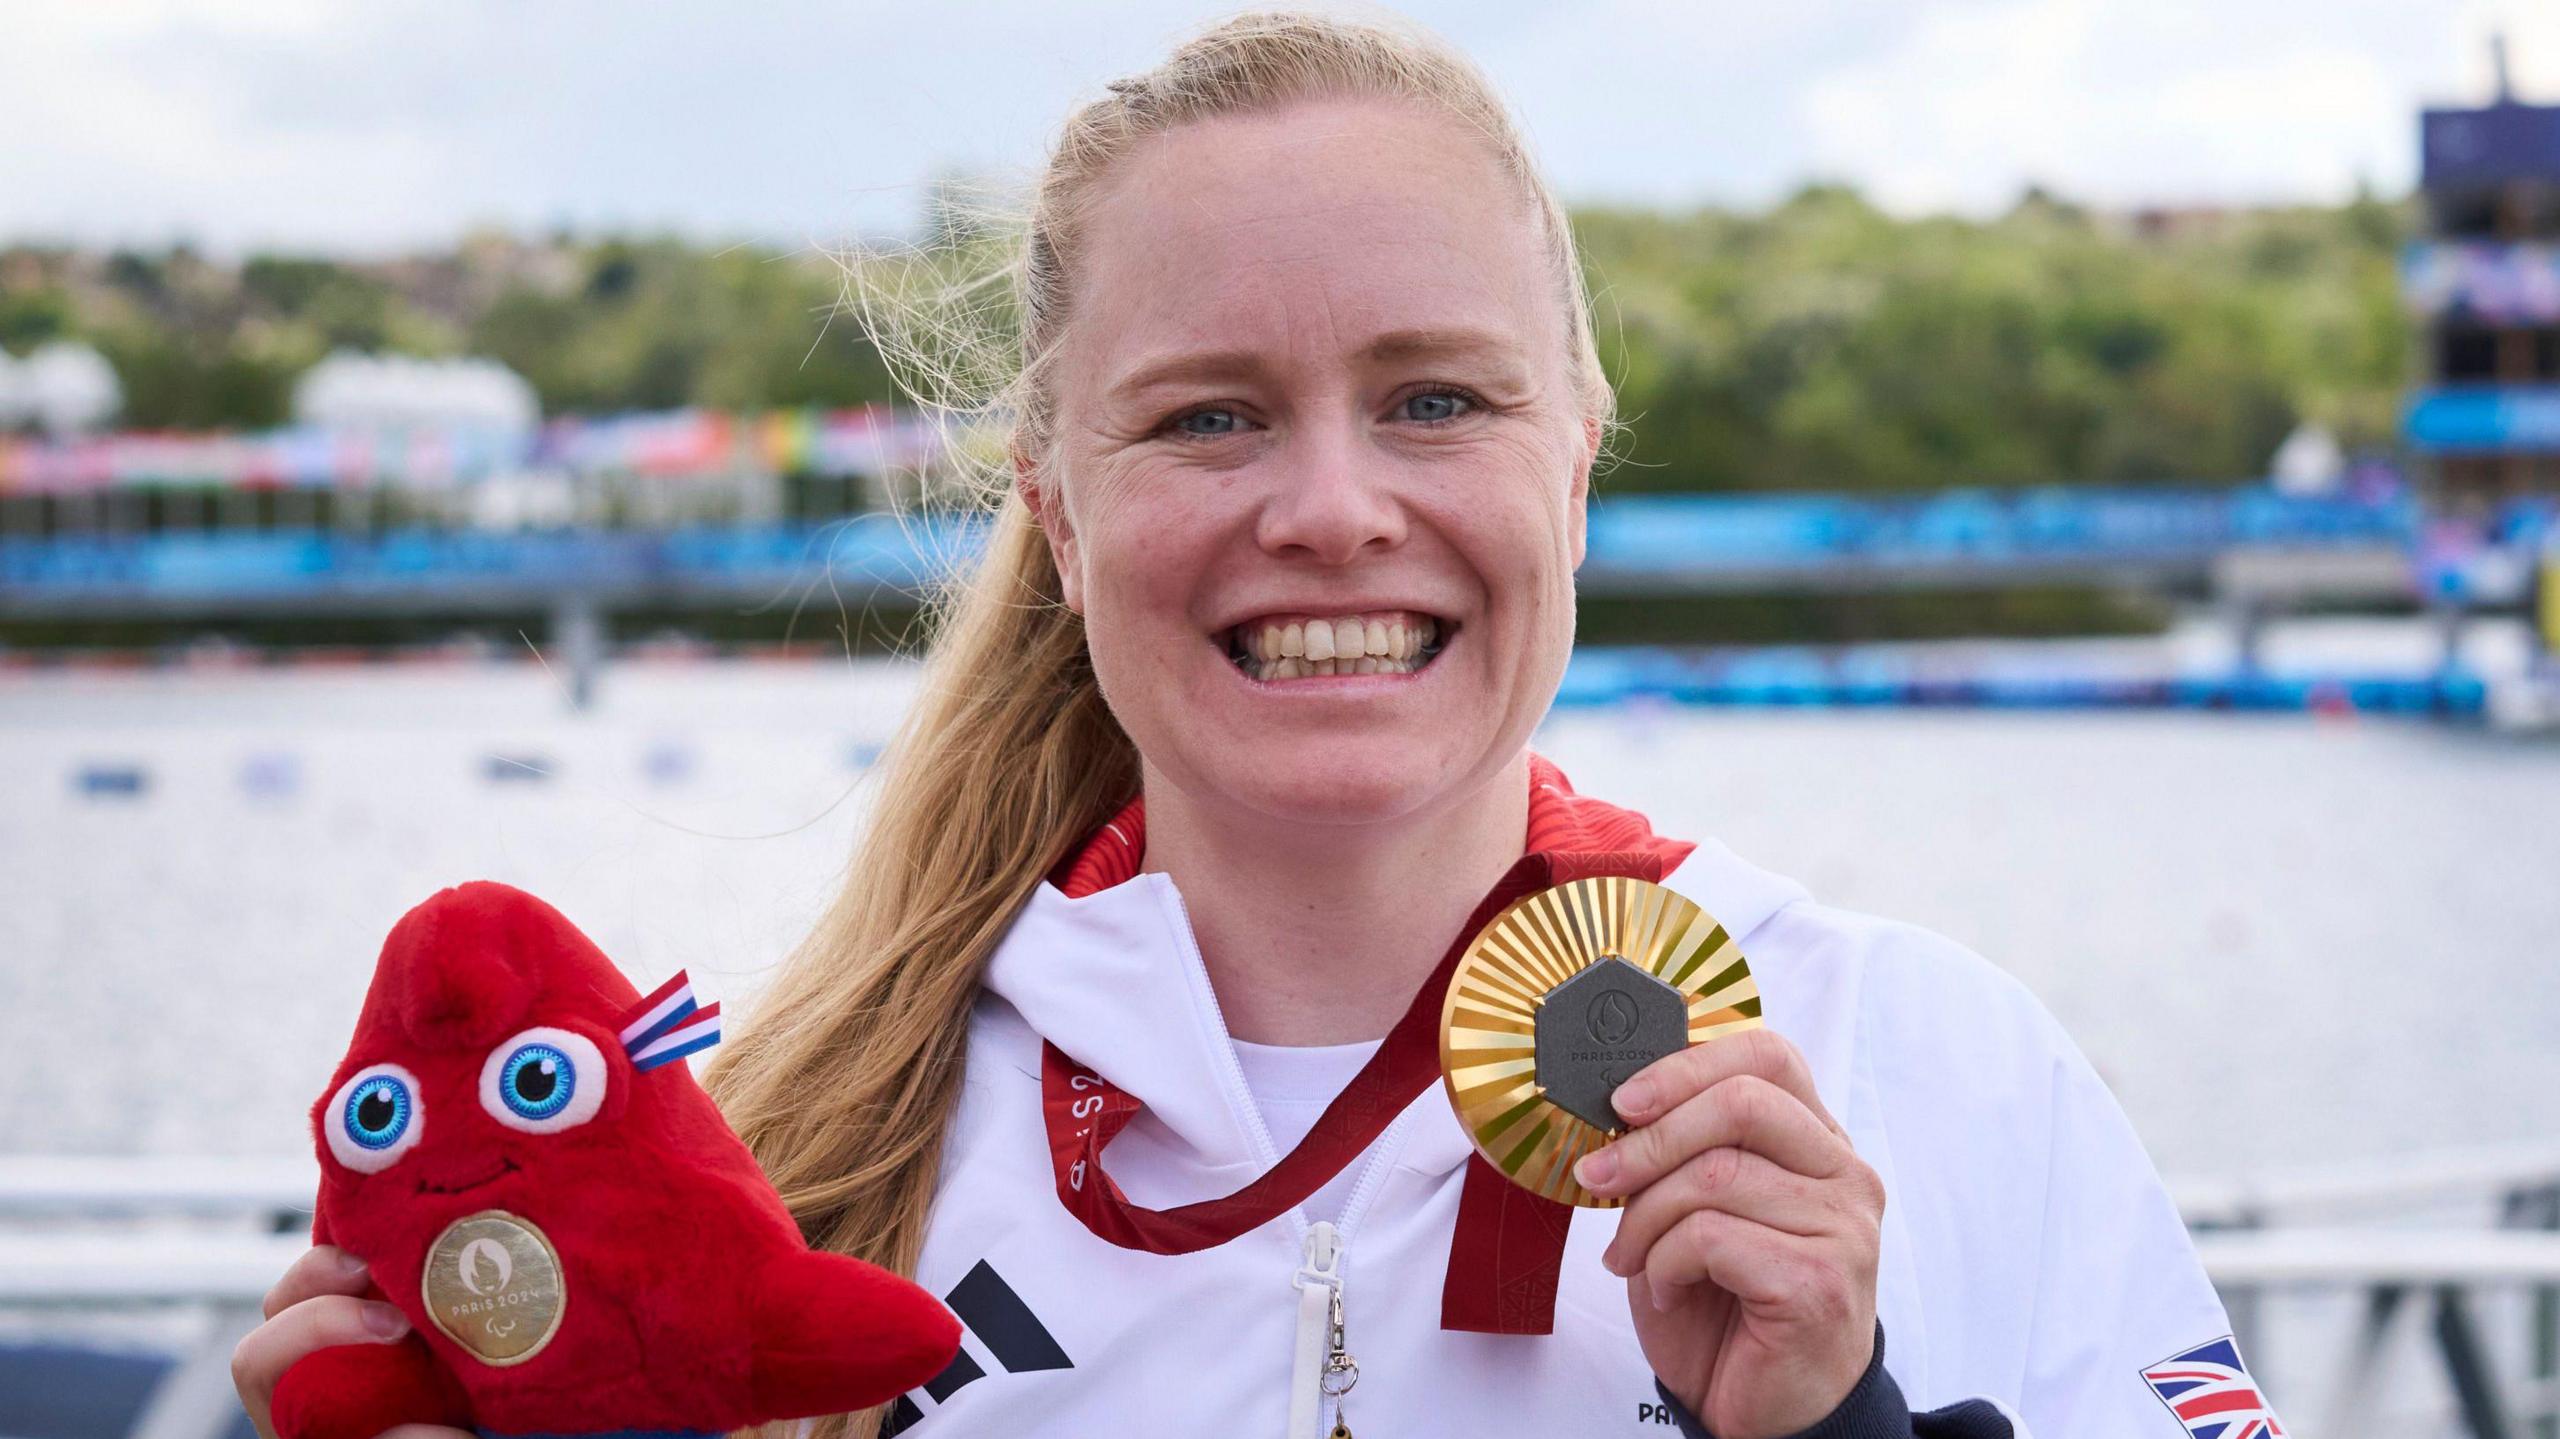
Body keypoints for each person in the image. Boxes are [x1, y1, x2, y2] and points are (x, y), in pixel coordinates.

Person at [234, 11, 2273, 1439]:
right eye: (1207, 414)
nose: (1326, 508)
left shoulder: (1935, 1074)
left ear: (1576, 455)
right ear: (1051, 496)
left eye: (1434, 399)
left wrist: (1843, 1437)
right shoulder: (767, 1166)